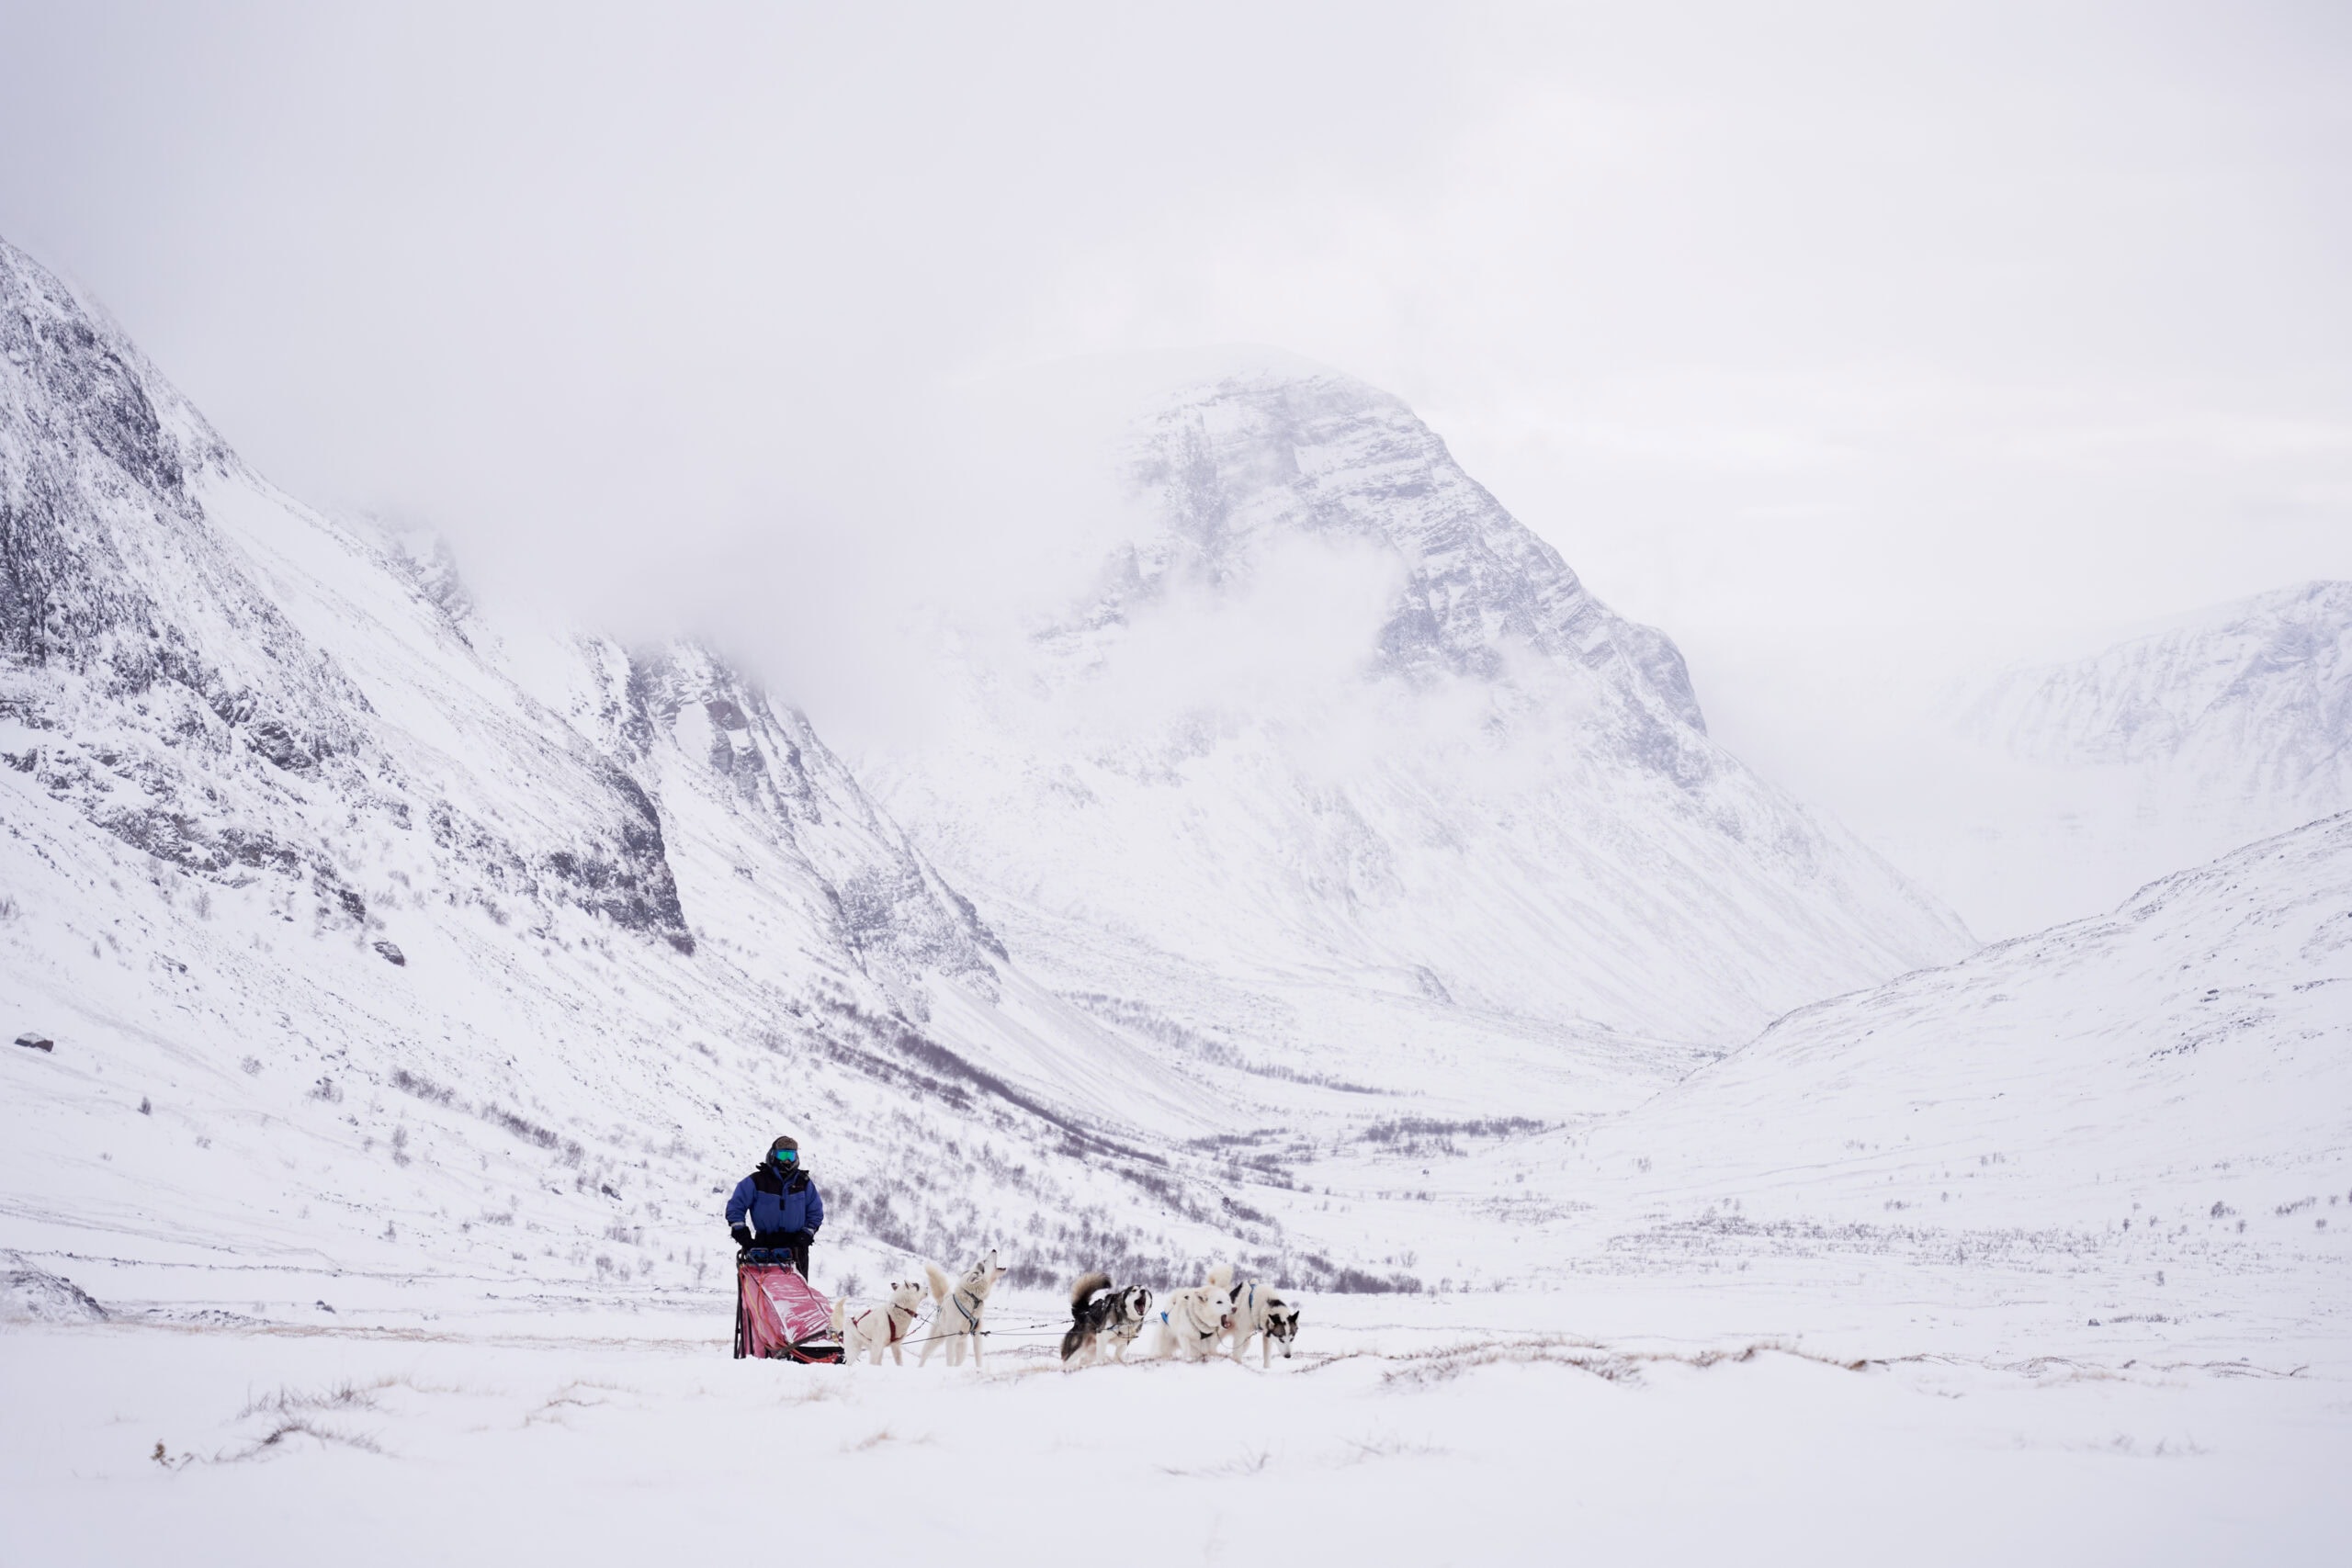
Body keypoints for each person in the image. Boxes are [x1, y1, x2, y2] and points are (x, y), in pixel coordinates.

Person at [727, 1135, 824, 1279]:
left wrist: (805, 1236)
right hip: (763, 1247)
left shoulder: (804, 1183)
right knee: (759, 1289)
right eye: (783, 1155)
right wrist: (742, 1234)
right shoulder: (757, 1181)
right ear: (773, 1155)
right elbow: (735, 1207)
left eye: (791, 1155)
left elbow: (815, 1213)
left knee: (796, 1290)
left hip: (796, 1249)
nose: (787, 1160)